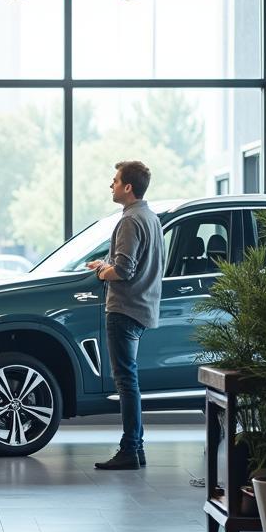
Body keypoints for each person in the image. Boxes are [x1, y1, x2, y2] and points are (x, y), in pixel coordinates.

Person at [86, 159, 163, 471]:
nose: (111, 185)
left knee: (126, 381)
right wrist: (105, 265)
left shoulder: (130, 221)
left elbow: (124, 269)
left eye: (115, 180)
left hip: (124, 309)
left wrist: (102, 271)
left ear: (128, 187)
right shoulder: (151, 217)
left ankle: (130, 449)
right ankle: (136, 448)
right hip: (142, 308)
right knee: (129, 379)